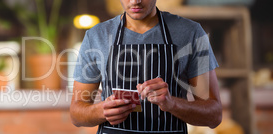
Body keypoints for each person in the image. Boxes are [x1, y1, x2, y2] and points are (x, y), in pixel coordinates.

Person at [70, 0, 222, 133]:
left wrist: (172, 104)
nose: (135, 1)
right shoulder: (96, 36)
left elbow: (214, 115)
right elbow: (76, 114)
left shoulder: (191, 33)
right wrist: (101, 111)